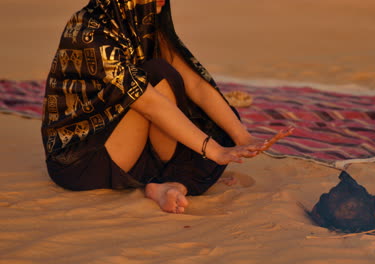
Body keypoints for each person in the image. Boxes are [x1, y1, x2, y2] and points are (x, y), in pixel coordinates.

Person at [41, 0, 292, 214]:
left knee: (218, 125)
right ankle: (174, 178)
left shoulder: (144, 22)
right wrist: (214, 151)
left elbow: (195, 85)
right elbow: (149, 103)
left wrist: (243, 138)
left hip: (128, 145)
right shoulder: (90, 31)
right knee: (158, 75)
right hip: (82, 159)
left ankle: (165, 186)